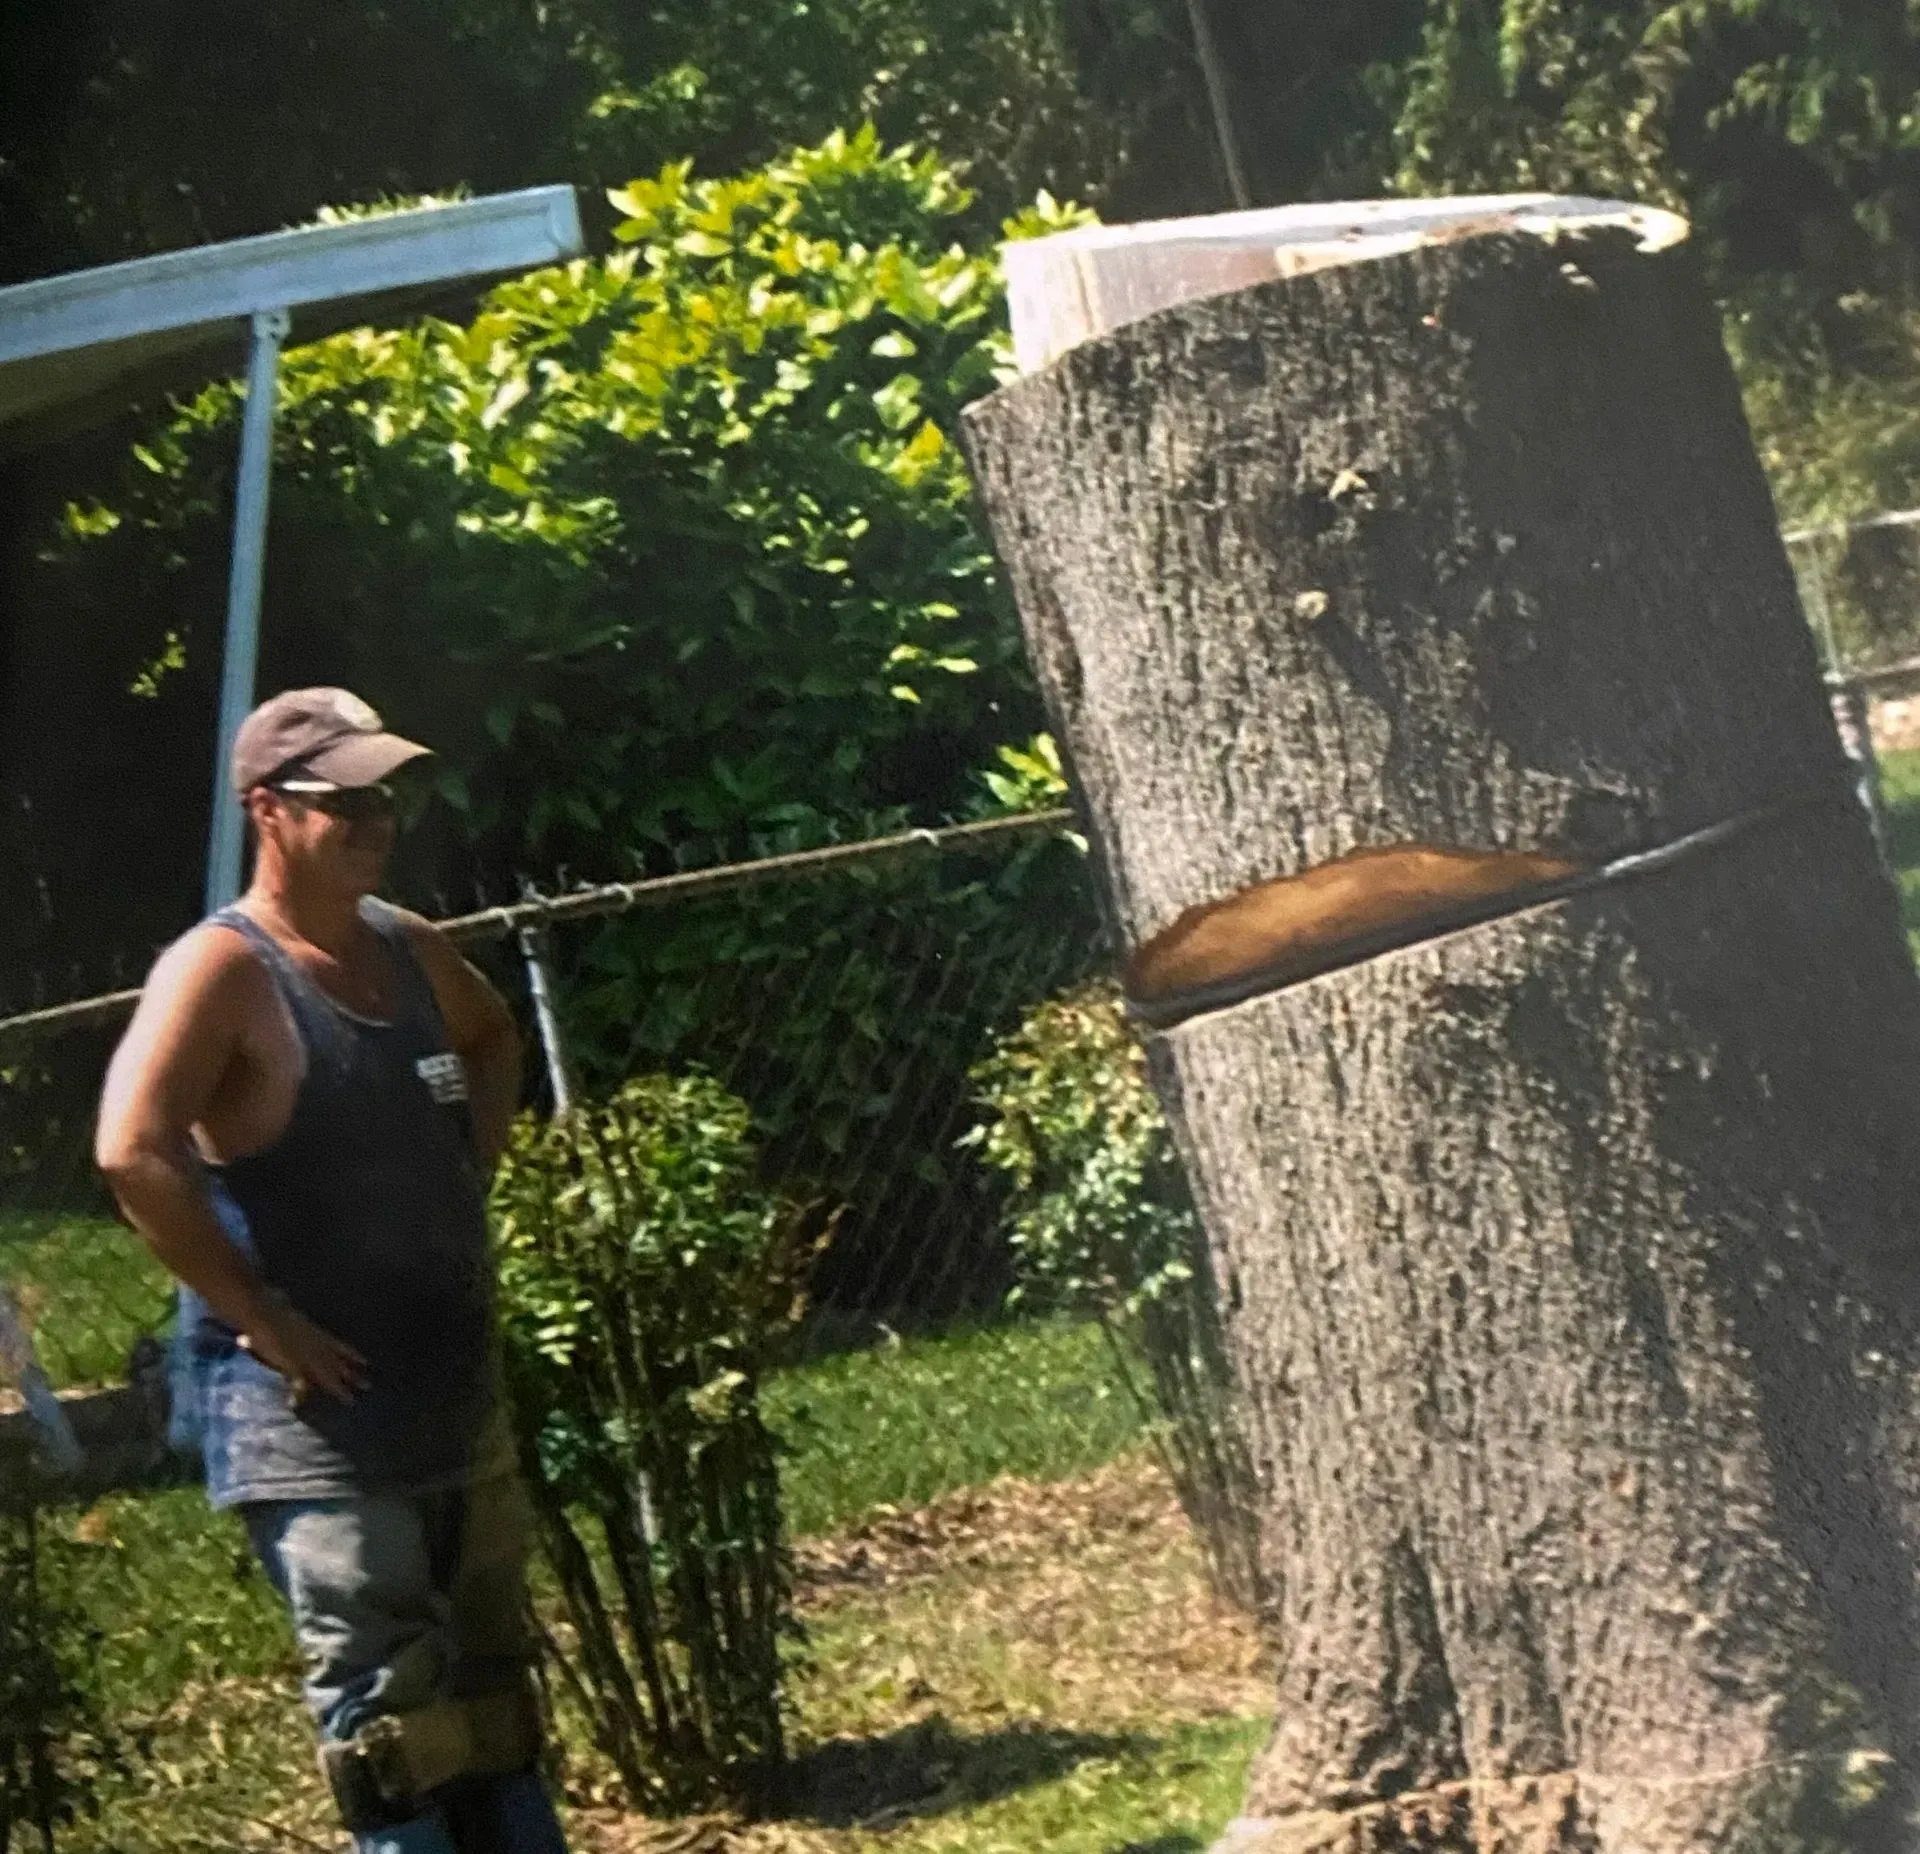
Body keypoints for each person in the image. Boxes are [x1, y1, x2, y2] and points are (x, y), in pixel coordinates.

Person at [95, 687, 570, 1854]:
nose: (373, 819)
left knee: (498, 1705)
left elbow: (494, 1035)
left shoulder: (406, 948)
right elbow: (130, 1146)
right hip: (321, 1424)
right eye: (340, 800)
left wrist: (463, 1185)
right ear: (267, 810)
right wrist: (258, 1315)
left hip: (453, 1400)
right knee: (394, 1730)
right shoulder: (224, 971)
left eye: (383, 796)